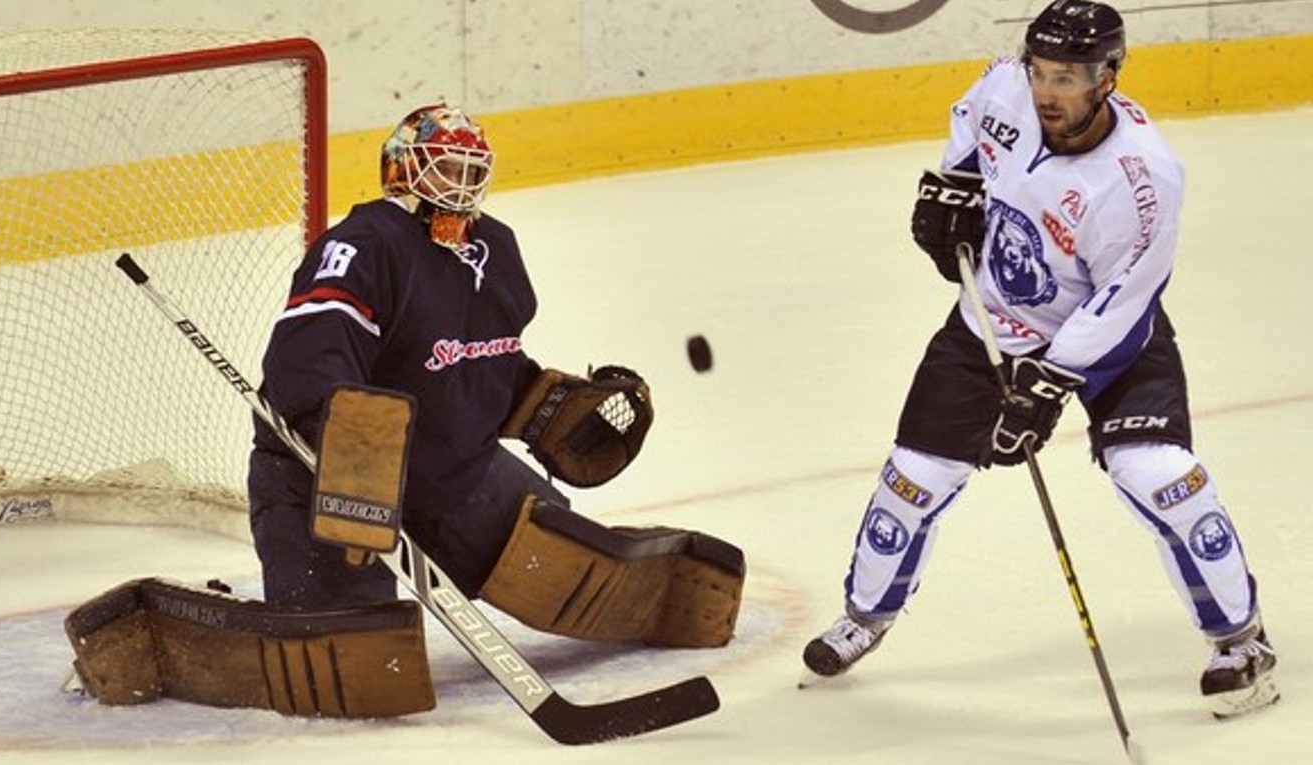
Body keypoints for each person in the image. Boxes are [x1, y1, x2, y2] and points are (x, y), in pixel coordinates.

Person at [802, 0, 1278, 718]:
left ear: (1107, 77)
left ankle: (1241, 640)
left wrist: (1046, 386)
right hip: (990, 322)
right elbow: (971, 120)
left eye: (1067, 78)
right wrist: (955, 186)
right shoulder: (1007, 87)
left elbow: (1122, 300)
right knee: (912, 480)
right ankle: (864, 616)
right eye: (1040, 72)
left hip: (1113, 342)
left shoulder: (1142, 178)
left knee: (1159, 476)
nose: (1047, 92)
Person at [248, 103, 744, 648]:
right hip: (324, 477)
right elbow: (306, 362)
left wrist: (542, 406)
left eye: (470, 170)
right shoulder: (363, 245)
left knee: (574, 573)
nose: (459, 183)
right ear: (401, 168)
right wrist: (350, 446)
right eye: (444, 168)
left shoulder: (496, 247)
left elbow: (478, 360)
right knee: (344, 655)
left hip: (452, 471)